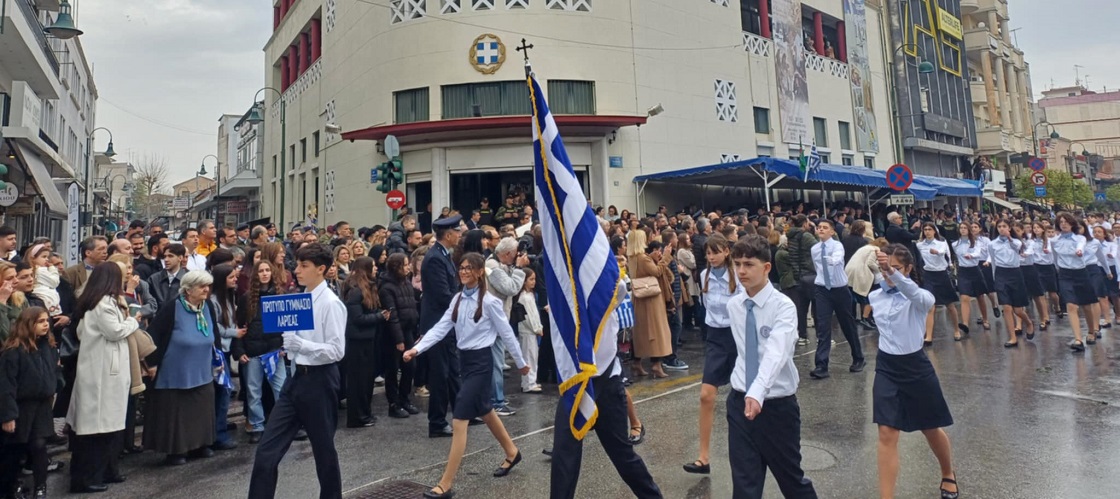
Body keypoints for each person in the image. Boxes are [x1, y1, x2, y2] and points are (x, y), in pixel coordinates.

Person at [402, 253, 529, 499]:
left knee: (459, 419)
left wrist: (522, 363)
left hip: (481, 364)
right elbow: (441, 327)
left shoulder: (490, 302)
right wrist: (417, 348)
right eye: (461, 268)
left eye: (470, 268)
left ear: (480, 271)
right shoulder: (458, 299)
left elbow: (507, 333)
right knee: (485, 409)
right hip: (465, 362)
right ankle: (513, 452)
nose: (464, 271)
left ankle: (446, 484)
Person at [248, 244, 346, 499]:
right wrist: (288, 344)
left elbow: (336, 351)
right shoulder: (299, 298)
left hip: (320, 380)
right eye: (297, 264)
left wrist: (302, 345)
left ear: (321, 269)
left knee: (324, 451)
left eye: (304, 266)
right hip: (295, 380)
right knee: (266, 451)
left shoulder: (331, 303)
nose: (297, 270)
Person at [725, 235, 818, 499]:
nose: (741, 271)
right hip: (740, 402)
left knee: (791, 480)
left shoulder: (783, 307)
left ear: (766, 267)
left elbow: (777, 351)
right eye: (737, 263)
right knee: (744, 485)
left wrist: (759, 390)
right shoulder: (735, 305)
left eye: (748, 264)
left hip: (777, 405)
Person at [869, 244, 958, 499]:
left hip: (915, 365)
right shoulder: (876, 296)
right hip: (887, 366)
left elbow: (916, 295)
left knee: (930, 426)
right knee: (886, 431)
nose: (887, 273)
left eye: (896, 268)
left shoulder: (921, 297)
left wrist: (894, 273)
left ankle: (947, 472)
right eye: (885, 269)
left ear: (908, 269)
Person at [67, 263, 140, 494]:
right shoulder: (102, 304)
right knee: (97, 429)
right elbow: (115, 331)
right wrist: (134, 320)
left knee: (106, 428)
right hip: (102, 374)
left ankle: (105, 470)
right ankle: (87, 478)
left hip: (104, 370)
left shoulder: (95, 302)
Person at [141, 270, 220, 465]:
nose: (206, 290)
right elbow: (153, 336)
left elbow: (214, 333)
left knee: (200, 408)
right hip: (175, 370)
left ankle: (200, 445)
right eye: (202, 286)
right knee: (177, 412)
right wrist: (151, 363)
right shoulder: (172, 308)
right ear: (188, 289)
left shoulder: (206, 305)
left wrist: (218, 361)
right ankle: (176, 450)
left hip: (202, 368)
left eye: (208, 286)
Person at [684, 234, 740, 475]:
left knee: (745, 396)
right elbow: (706, 307)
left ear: (727, 251)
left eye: (715, 252)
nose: (711, 257)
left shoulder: (738, 274)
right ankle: (703, 457)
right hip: (715, 338)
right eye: (708, 253)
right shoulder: (704, 276)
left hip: (738, 337)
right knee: (706, 395)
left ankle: (756, 449)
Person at [0, 307, 57, 499]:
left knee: (39, 445)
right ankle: (13, 484)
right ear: (28, 324)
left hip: (41, 405)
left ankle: (40, 486)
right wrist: (8, 415)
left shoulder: (47, 346)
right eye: (40, 321)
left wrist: (55, 384)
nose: (45, 325)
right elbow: (6, 386)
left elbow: (53, 370)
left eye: (46, 321)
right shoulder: (13, 351)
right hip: (21, 406)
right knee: (16, 448)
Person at [418, 216, 465, 438]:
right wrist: (464, 307)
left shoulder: (444, 255)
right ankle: (436, 422)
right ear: (448, 235)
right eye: (457, 231)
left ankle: (462, 413)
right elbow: (443, 294)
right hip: (437, 323)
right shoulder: (435, 258)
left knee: (453, 371)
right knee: (440, 374)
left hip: (446, 323)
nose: (460, 235)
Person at [232, 260, 287, 444]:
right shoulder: (247, 298)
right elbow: (239, 326)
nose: (264, 274)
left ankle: (284, 424)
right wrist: (239, 351)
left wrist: (285, 346)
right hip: (253, 351)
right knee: (253, 391)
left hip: (274, 350)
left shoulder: (280, 295)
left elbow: (288, 324)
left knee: (281, 389)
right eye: (261, 271)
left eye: (267, 270)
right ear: (256, 274)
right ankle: (257, 425)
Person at [809, 220, 864, 379]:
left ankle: (858, 357)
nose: (821, 230)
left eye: (825, 228)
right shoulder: (814, 248)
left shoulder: (837, 246)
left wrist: (831, 260)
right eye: (819, 227)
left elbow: (839, 258)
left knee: (847, 324)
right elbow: (817, 267)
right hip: (822, 288)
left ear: (832, 232)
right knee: (823, 326)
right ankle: (821, 365)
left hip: (839, 289)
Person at [341, 256, 389, 428]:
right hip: (356, 341)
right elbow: (357, 318)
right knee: (358, 382)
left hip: (367, 339)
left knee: (366, 380)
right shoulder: (355, 291)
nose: (376, 269)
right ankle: (357, 417)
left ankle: (365, 413)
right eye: (373, 266)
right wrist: (380, 316)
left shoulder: (367, 288)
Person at [485, 237, 527, 416]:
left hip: (498, 319)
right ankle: (497, 401)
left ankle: (496, 397)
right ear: (508, 254)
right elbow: (510, 288)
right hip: (494, 321)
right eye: (515, 254)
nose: (516, 257)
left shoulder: (499, 265)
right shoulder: (493, 267)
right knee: (496, 362)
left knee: (497, 360)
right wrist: (518, 269)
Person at [379, 253, 420, 418]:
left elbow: (412, 305)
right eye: (405, 264)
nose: (408, 267)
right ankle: (394, 403)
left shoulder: (406, 283)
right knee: (392, 369)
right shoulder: (386, 287)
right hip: (393, 335)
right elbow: (392, 315)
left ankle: (405, 399)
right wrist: (399, 339)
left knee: (410, 367)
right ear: (396, 267)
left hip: (409, 330)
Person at [209, 264, 242, 451]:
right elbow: (217, 327)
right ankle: (218, 434)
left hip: (227, 349)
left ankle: (220, 427)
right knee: (223, 392)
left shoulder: (229, 298)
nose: (235, 280)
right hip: (219, 350)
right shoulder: (214, 301)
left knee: (224, 392)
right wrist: (234, 332)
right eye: (231, 277)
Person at [916, 223, 964, 344]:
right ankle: (929, 336)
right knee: (930, 305)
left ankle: (957, 329)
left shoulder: (941, 243)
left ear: (934, 231)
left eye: (929, 229)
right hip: (929, 275)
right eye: (925, 229)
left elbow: (943, 252)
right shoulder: (920, 245)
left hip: (941, 274)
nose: (927, 232)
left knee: (950, 305)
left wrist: (936, 252)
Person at [989, 219, 1034, 347]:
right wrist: (994, 277)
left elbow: (1018, 248)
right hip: (1001, 274)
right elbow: (993, 261)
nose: (1001, 228)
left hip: (1015, 273)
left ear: (1009, 228)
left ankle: (1028, 322)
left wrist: (1010, 238)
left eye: (1004, 226)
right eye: (999, 226)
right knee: (1007, 307)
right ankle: (1012, 337)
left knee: (1018, 310)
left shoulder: (1017, 242)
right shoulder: (992, 244)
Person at [954, 224, 992, 332]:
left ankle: (985, 319)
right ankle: (965, 323)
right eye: (961, 228)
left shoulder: (976, 242)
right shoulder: (955, 244)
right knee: (964, 297)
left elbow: (977, 253)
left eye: (965, 228)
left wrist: (971, 256)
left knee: (980, 296)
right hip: (963, 271)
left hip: (975, 269)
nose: (963, 230)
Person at [515, 268, 543, 393]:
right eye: (531, 279)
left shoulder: (530, 295)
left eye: (534, 279)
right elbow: (528, 317)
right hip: (528, 331)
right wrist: (537, 328)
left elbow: (534, 314)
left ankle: (530, 381)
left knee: (532, 355)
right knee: (529, 356)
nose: (533, 282)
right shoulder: (524, 298)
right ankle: (528, 383)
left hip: (531, 331)